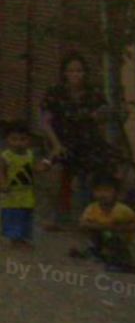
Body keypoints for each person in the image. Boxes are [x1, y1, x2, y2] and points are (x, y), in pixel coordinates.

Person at [40, 51, 110, 230]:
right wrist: (56, 145)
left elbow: (103, 119)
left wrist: (100, 118)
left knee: (86, 181)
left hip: (88, 144)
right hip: (62, 143)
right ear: (64, 73)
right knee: (56, 176)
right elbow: (46, 121)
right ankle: (58, 216)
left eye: (79, 71)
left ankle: (87, 218)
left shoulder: (93, 93)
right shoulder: (55, 93)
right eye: (71, 71)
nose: (75, 75)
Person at [72, 173, 135, 274]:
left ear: (116, 193)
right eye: (98, 191)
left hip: (119, 238)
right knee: (96, 232)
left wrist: (120, 228)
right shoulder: (92, 208)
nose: (102, 194)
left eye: (107, 191)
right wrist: (101, 226)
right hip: (101, 235)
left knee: (112, 237)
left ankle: (121, 261)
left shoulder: (122, 209)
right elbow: (82, 223)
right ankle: (96, 252)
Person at [0, 123, 52, 247]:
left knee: (26, 216)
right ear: (7, 140)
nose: (18, 143)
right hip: (12, 194)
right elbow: (1, 171)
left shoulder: (29, 154)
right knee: (14, 216)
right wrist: (3, 184)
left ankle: (23, 238)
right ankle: (15, 239)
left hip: (27, 193)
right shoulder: (6, 156)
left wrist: (45, 166)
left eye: (22, 139)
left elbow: (34, 168)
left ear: (29, 140)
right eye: (14, 139)